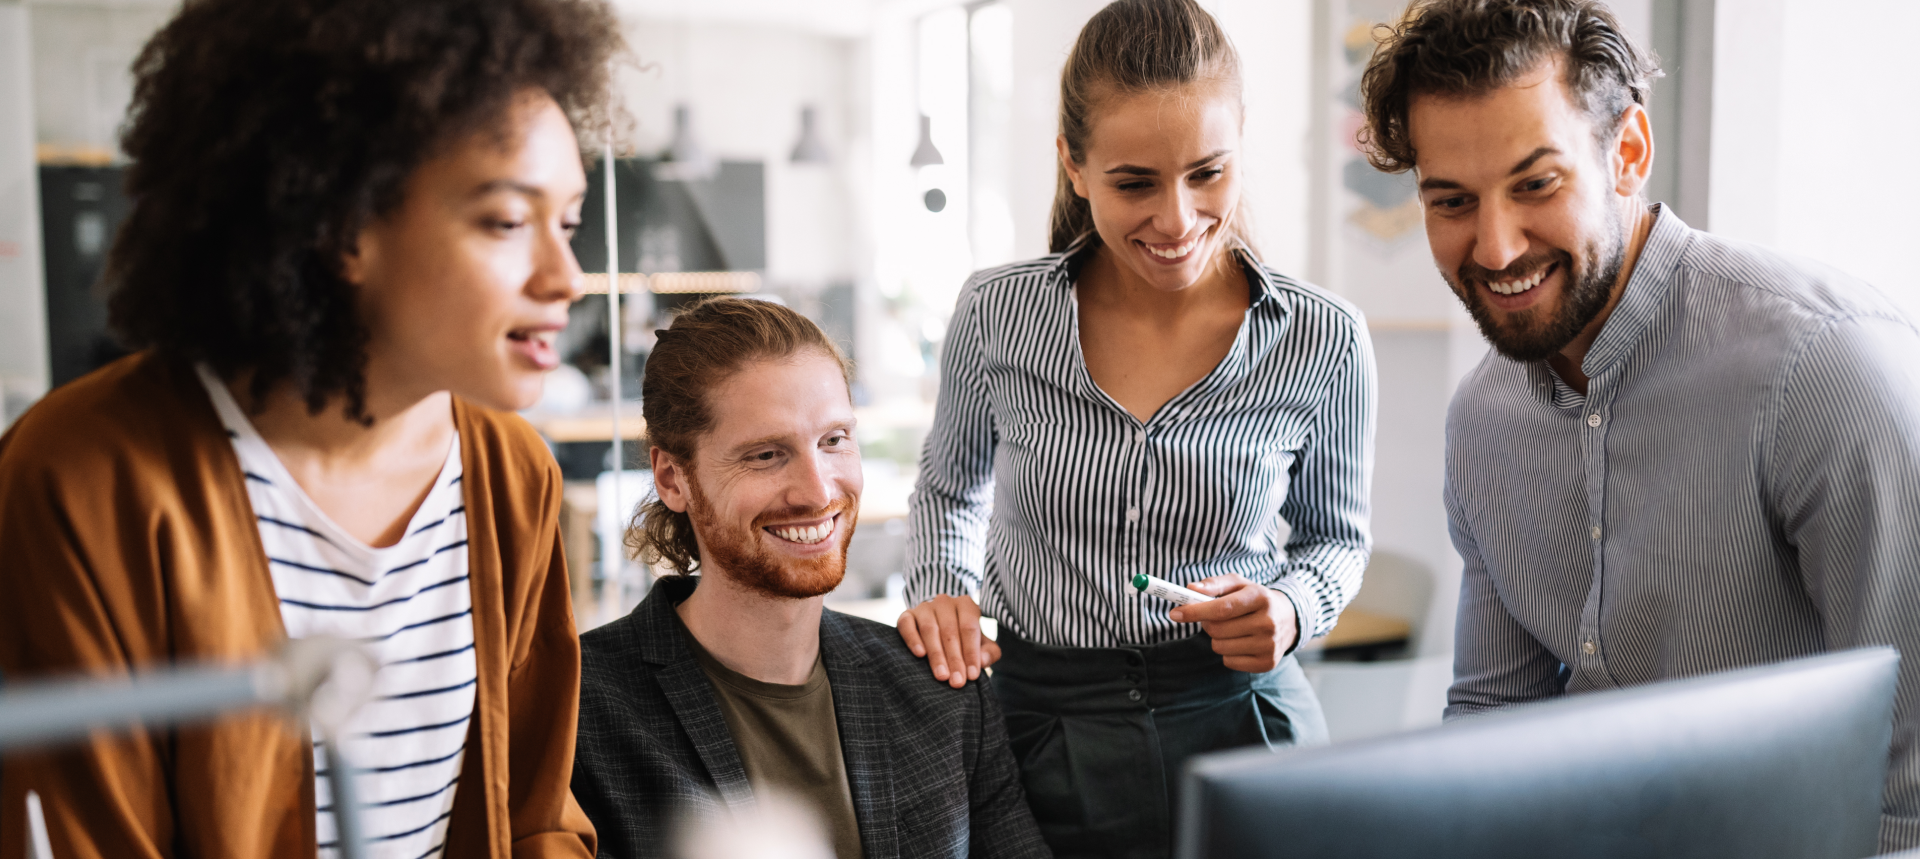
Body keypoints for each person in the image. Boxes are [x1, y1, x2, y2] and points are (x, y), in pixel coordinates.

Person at [0, 0, 621, 855]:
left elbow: (537, 817)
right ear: (342, 224)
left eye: (570, 222)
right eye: (508, 221)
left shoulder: (512, 472)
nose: (567, 278)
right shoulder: (84, 477)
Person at [1357, 0, 1920, 850]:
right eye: (1452, 200)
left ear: (1627, 153)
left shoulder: (1825, 367)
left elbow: (1909, 793)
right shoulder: (1483, 419)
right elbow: (1491, 719)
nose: (1497, 247)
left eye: (1536, 184)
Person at [899, 1, 1377, 856]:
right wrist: (942, 589)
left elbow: (1336, 541)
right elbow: (947, 489)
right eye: (1134, 183)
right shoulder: (997, 314)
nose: (1178, 218)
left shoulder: (1323, 337)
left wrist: (1295, 608)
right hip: (1043, 728)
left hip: (1245, 723)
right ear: (1073, 167)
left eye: (1208, 173)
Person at [570, 298, 1050, 859]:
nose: (818, 492)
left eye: (834, 440)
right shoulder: (579, 709)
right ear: (673, 479)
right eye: (767, 455)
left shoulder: (942, 692)